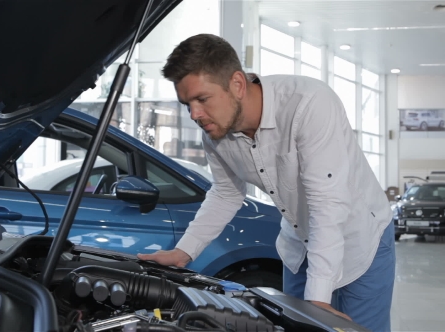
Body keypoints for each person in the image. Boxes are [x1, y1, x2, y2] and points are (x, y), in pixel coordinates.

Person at [137, 34, 395, 332]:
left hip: (361, 241)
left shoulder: (308, 104)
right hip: (300, 245)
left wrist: (319, 300)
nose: (195, 114)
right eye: (187, 104)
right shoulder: (216, 132)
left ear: (237, 84)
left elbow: (327, 204)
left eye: (202, 99)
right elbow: (225, 193)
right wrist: (184, 252)